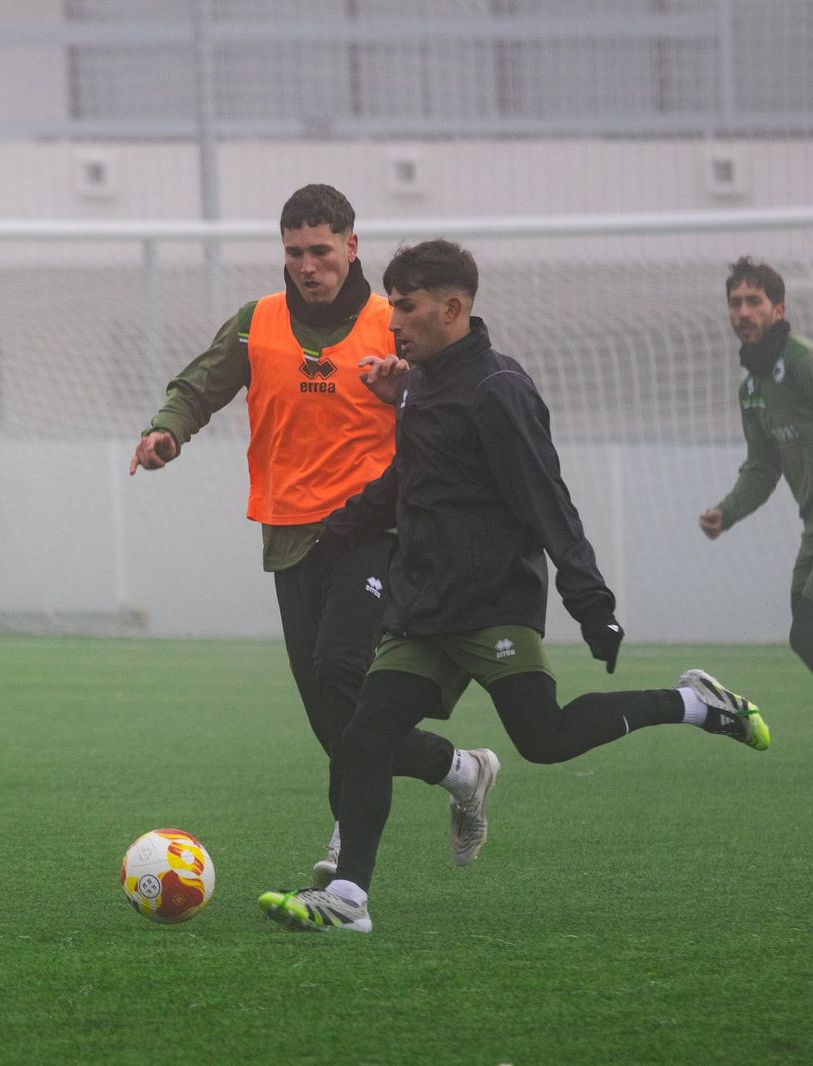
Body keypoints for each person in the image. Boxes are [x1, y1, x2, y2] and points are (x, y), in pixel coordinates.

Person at [258, 240, 768, 934]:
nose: (394, 322)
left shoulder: (498, 389)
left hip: (492, 603)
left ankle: (694, 703)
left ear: (453, 306)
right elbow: (407, 483)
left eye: (404, 308)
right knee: (363, 736)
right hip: (424, 608)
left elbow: (546, 500)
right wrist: (338, 532)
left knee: (545, 736)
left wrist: (591, 603)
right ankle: (348, 899)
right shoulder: (421, 385)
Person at [129, 186, 499, 886]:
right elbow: (200, 385)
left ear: (352, 246)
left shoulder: (398, 320)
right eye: (295, 252)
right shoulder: (256, 323)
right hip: (291, 538)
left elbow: (460, 394)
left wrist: (411, 395)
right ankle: (460, 770)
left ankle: (345, 848)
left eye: (321, 251)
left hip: (377, 530)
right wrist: (165, 431)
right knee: (332, 714)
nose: (308, 266)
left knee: (342, 673)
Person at [698, 257, 813, 673]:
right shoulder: (751, 388)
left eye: (754, 301)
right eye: (735, 302)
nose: (743, 311)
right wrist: (726, 511)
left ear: (778, 310)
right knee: (804, 637)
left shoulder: (802, 362)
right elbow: (763, 467)